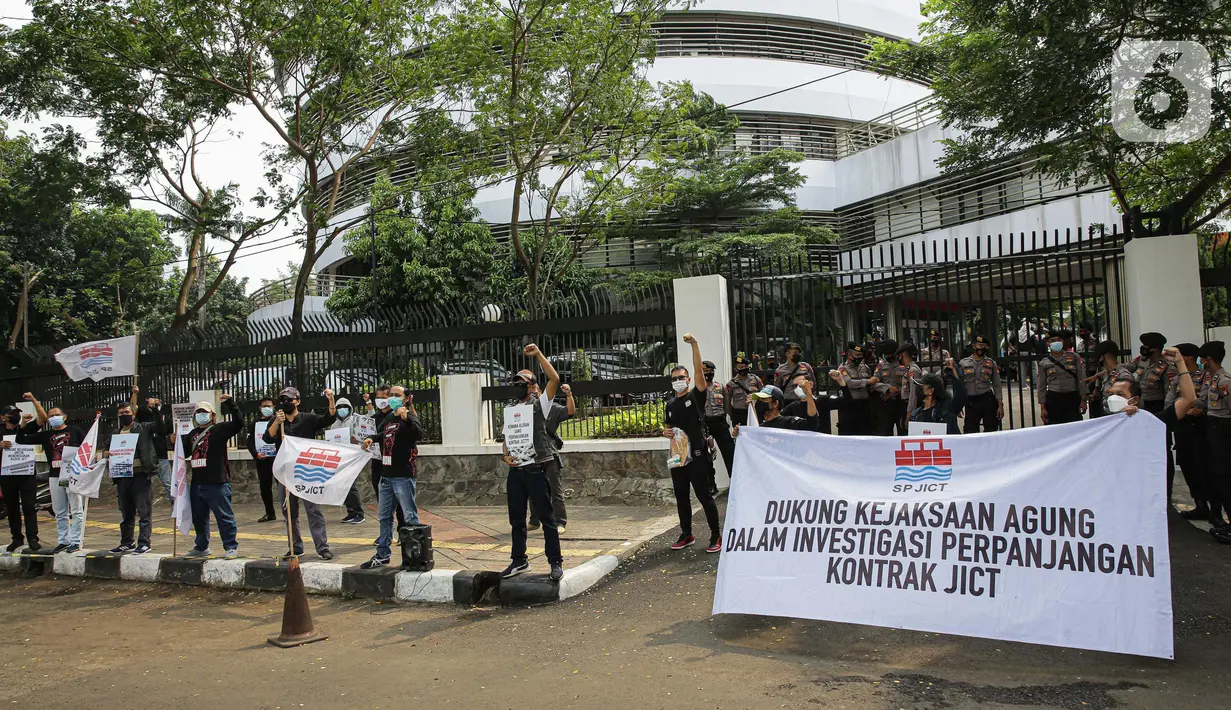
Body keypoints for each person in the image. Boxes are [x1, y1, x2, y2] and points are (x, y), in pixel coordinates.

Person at [499, 344, 566, 580]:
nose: (517, 386)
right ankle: (519, 561)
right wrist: (505, 455)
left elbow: (554, 378)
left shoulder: (541, 404)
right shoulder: (509, 408)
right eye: (515, 382)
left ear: (531, 386)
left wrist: (537, 354)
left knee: (547, 518)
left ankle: (555, 562)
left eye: (522, 382)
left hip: (537, 468)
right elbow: (507, 436)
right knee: (516, 519)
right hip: (517, 471)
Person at [662, 334, 722, 555]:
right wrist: (665, 432)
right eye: (675, 377)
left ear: (688, 380)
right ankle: (686, 533)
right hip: (677, 458)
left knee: (704, 496)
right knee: (681, 498)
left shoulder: (696, 396)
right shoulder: (669, 404)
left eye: (682, 377)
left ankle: (716, 535)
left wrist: (695, 345)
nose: (678, 380)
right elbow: (669, 428)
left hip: (696, 454)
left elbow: (699, 371)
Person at [263, 386, 338, 560]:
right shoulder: (277, 420)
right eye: (283, 400)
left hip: (307, 473)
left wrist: (331, 399)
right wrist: (276, 422)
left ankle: (322, 547)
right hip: (285, 474)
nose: (286, 403)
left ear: (297, 401)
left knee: (313, 511)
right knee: (289, 511)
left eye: (290, 400)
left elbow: (329, 418)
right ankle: (295, 547)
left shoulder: (308, 419)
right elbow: (268, 438)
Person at [360, 384, 424, 569]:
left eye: (397, 395)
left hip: (403, 476)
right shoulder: (390, 419)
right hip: (386, 476)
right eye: (391, 395)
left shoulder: (409, 417)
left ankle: (414, 557)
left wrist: (407, 418)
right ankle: (382, 555)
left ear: (405, 398)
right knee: (384, 517)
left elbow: (419, 434)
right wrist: (371, 438)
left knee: (409, 517)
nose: (393, 398)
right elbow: (382, 432)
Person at [18, 393, 85, 553]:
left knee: (76, 510)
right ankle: (63, 540)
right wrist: (23, 424)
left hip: (72, 475)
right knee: (59, 511)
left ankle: (75, 541)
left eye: (57, 415)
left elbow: (86, 449)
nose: (54, 417)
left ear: (64, 417)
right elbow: (21, 440)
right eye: (51, 416)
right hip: (55, 476)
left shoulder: (75, 431)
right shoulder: (46, 435)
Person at [181, 396, 244, 558]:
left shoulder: (220, 429)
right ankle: (201, 546)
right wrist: (175, 441)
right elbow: (185, 452)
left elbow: (239, 423)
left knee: (224, 516)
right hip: (197, 483)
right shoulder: (192, 434)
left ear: (212, 415)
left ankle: (230, 546)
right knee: (199, 518)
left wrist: (231, 404)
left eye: (205, 412)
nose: (201, 415)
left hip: (217, 483)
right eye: (199, 412)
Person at [106, 393, 159, 554]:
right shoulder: (115, 433)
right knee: (126, 512)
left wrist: (155, 409)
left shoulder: (143, 428)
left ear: (133, 414)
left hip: (140, 476)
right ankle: (127, 542)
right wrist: (105, 454)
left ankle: (144, 543)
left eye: (127, 413)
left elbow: (161, 427)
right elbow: (107, 449)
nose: (125, 416)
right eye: (121, 413)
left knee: (144, 511)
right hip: (122, 477)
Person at [1169, 344, 1215, 522]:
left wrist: (1188, 406)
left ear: (1186, 358)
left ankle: (1214, 509)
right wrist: (1186, 410)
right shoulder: (1177, 379)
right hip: (1183, 426)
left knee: (1204, 468)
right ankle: (1200, 505)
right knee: (1188, 467)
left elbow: (1203, 399)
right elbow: (1170, 400)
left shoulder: (1205, 376)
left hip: (1200, 427)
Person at [1195, 342, 1231, 537]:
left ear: (1210, 359)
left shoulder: (1225, 381)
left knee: (1224, 477)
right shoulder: (1212, 380)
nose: (1201, 362)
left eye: (1203, 359)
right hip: (1212, 427)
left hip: (1223, 430)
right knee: (1215, 475)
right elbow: (1202, 401)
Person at [529, 383, 574, 533]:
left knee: (555, 490)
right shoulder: (524, 408)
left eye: (534, 388)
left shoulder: (551, 408)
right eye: (528, 388)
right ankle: (534, 521)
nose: (532, 392)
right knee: (533, 490)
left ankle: (560, 522)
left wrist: (568, 395)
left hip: (550, 454)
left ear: (541, 392)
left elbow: (570, 412)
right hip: (532, 454)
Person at [364, 385, 406, 530]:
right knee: (382, 500)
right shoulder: (373, 419)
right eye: (378, 397)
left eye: (384, 397)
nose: (381, 400)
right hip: (378, 463)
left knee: (400, 499)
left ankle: (403, 529)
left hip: (395, 463)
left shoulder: (398, 415)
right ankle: (386, 532)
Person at [0, 406, 39, 552]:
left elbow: (41, 420)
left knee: (30, 506)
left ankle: (33, 538)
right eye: (12, 414)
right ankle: (16, 538)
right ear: (3, 417)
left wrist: (24, 423)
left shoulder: (24, 429)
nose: (15, 416)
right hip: (7, 475)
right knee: (12, 508)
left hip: (26, 474)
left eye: (17, 414)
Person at [329, 396, 367, 524]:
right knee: (344, 486)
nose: (342, 409)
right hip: (340, 458)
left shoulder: (355, 420)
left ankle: (359, 513)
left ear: (349, 408)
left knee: (351, 485)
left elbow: (365, 433)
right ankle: (351, 512)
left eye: (345, 407)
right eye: (339, 407)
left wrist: (356, 440)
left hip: (353, 456)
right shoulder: (334, 425)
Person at [1038, 329, 1088, 425]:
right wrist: (1043, 408)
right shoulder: (1044, 362)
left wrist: (1083, 400)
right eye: (1053, 341)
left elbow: (1082, 379)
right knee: (1054, 428)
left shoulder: (1074, 357)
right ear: (1048, 343)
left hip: (1072, 398)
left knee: (1074, 427)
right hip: (1054, 399)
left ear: (1062, 341)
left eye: (1058, 340)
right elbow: (1041, 386)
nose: (1056, 342)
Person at [958, 335, 1003, 433]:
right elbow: (959, 386)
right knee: (970, 431)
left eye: (984, 346)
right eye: (979, 345)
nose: (981, 348)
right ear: (974, 346)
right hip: (971, 402)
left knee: (991, 430)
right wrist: (959, 405)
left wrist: (1000, 405)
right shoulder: (963, 363)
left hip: (987, 399)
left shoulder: (991, 363)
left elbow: (997, 385)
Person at [701, 360, 736, 483]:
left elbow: (727, 407)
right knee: (705, 455)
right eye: (706, 371)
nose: (709, 373)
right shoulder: (698, 389)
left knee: (730, 452)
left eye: (711, 371)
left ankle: (734, 481)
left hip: (720, 423)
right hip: (705, 424)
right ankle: (710, 483)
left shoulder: (720, 387)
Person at [245, 396, 279, 523]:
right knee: (265, 487)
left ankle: (288, 513)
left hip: (277, 458)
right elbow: (250, 442)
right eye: (264, 406)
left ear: (274, 407)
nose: (267, 408)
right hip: (263, 459)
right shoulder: (254, 424)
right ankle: (270, 513)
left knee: (282, 486)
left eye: (269, 406)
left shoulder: (278, 421)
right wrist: (256, 454)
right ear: (260, 408)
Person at [911, 359, 967, 434]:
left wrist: (954, 369)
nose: (917, 389)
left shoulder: (946, 410)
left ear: (931, 391)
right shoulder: (916, 414)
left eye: (921, 387)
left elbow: (961, 395)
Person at [136, 393, 173, 504]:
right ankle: (143, 508)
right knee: (145, 485)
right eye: (151, 398)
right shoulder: (142, 412)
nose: (154, 400)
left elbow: (166, 431)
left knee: (168, 483)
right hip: (147, 457)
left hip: (161, 455)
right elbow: (133, 407)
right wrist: (134, 393)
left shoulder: (164, 415)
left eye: (156, 398)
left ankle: (175, 506)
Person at [830, 343, 873, 435]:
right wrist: (867, 382)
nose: (860, 357)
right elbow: (848, 383)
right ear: (850, 355)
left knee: (866, 432)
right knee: (849, 432)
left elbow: (872, 381)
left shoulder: (865, 368)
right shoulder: (842, 368)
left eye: (861, 355)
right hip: (850, 405)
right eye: (857, 355)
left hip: (864, 404)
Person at [1132, 332, 1178, 414]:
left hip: (1155, 405)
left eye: (1145, 345)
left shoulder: (1168, 367)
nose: (1143, 347)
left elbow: (1169, 392)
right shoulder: (1142, 360)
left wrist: (1167, 412)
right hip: (1139, 402)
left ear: (1155, 349)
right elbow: (1126, 367)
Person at [1087, 341, 1135, 419]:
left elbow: (1129, 401)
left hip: (1120, 417)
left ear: (1102, 358)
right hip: (1109, 416)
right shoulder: (1108, 374)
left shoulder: (1123, 375)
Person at [743, 383, 820, 431]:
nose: (760, 402)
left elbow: (812, 425)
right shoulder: (761, 427)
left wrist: (809, 396)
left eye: (764, 399)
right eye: (759, 399)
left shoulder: (788, 422)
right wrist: (739, 434)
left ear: (775, 403)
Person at [724, 356, 763, 427]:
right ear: (736, 369)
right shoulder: (731, 383)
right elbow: (727, 402)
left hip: (754, 412)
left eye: (745, 366)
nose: (743, 369)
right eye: (741, 367)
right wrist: (732, 414)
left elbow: (762, 394)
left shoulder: (756, 379)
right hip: (739, 414)